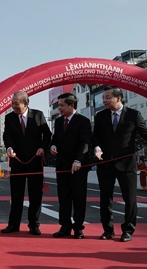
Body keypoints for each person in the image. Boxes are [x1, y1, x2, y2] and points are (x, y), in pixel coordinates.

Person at [92, 85, 147, 242]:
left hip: (127, 164)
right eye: (103, 98)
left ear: (119, 98)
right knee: (105, 199)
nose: (104, 101)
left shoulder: (133, 115)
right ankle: (108, 230)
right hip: (106, 163)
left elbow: (146, 134)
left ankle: (128, 230)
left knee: (130, 199)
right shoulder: (101, 116)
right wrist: (97, 147)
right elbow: (95, 137)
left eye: (108, 97)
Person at [2, 91, 51, 235]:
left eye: (16, 104)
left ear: (26, 103)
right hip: (17, 161)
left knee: (35, 195)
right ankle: (13, 224)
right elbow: (7, 135)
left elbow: (47, 134)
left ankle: (34, 225)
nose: (14, 107)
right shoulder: (9, 118)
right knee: (16, 195)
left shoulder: (38, 115)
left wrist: (43, 148)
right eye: (12, 104)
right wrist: (9, 148)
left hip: (35, 160)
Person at [50, 93, 91, 239]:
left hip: (78, 166)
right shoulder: (59, 121)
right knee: (64, 197)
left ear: (71, 105)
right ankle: (65, 226)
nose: (59, 108)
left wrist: (79, 160)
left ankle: (78, 227)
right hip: (62, 165)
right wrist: (53, 145)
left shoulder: (83, 121)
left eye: (61, 105)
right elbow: (55, 138)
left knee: (78, 197)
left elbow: (85, 143)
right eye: (58, 105)